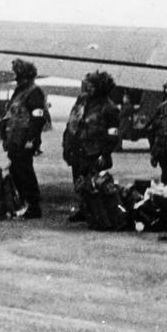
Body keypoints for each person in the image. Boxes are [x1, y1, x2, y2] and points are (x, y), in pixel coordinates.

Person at [62, 71, 120, 222]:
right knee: (79, 180)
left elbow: (113, 135)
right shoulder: (82, 100)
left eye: (92, 85)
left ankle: (95, 211)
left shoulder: (109, 108)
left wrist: (105, 153)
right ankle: (84, 209)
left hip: (94, 151)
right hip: (78, 147)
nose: (89, 88)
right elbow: (73, 119)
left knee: (92, 182)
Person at [0, 59, 47, 219]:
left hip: (24, 139)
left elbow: (38, 117)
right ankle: (25, 202)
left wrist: (32, 139)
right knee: (16, 170)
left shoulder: (33, 92)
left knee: (25, 171)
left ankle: (33, 205)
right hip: (14, 138)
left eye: (17, 73)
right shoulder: (19, 91)